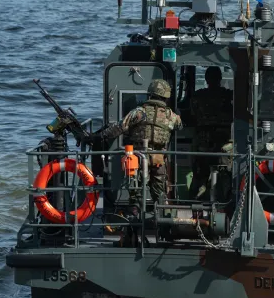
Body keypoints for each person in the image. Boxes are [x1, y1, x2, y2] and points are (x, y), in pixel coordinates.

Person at [95, 79, 182, 203]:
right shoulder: (171, 116)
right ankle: (162, 213)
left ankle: (135, 214)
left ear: (150, 93)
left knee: (136, 191)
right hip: (159, 158)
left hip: (139, 156)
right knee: (159, 192)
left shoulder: (139, 112)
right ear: (166, 96)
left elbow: (119, 128)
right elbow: (180, 126)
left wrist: (100, 136)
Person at [188, 67, 233, 199]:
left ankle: (194, 205)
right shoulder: (229, 95)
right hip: (224, 143)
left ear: (206, 79)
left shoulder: (197, 96)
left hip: (203, 142)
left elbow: (192, 116)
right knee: (225, 175)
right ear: (220, 79)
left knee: (199, 177)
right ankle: (225, 203)